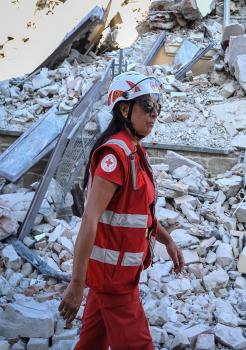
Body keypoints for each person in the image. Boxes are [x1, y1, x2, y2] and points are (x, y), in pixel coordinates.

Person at [58, 71, 185, 350]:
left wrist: (167, 240)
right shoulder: (114, 157)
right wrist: (77, 283)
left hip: (114, 277)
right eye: (148, 106)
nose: (154, 114)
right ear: (124, 109)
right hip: (114, 282)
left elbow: (139, 212)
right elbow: (90, 219)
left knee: (91, 343)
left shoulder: (135, 152)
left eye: (158, 107)